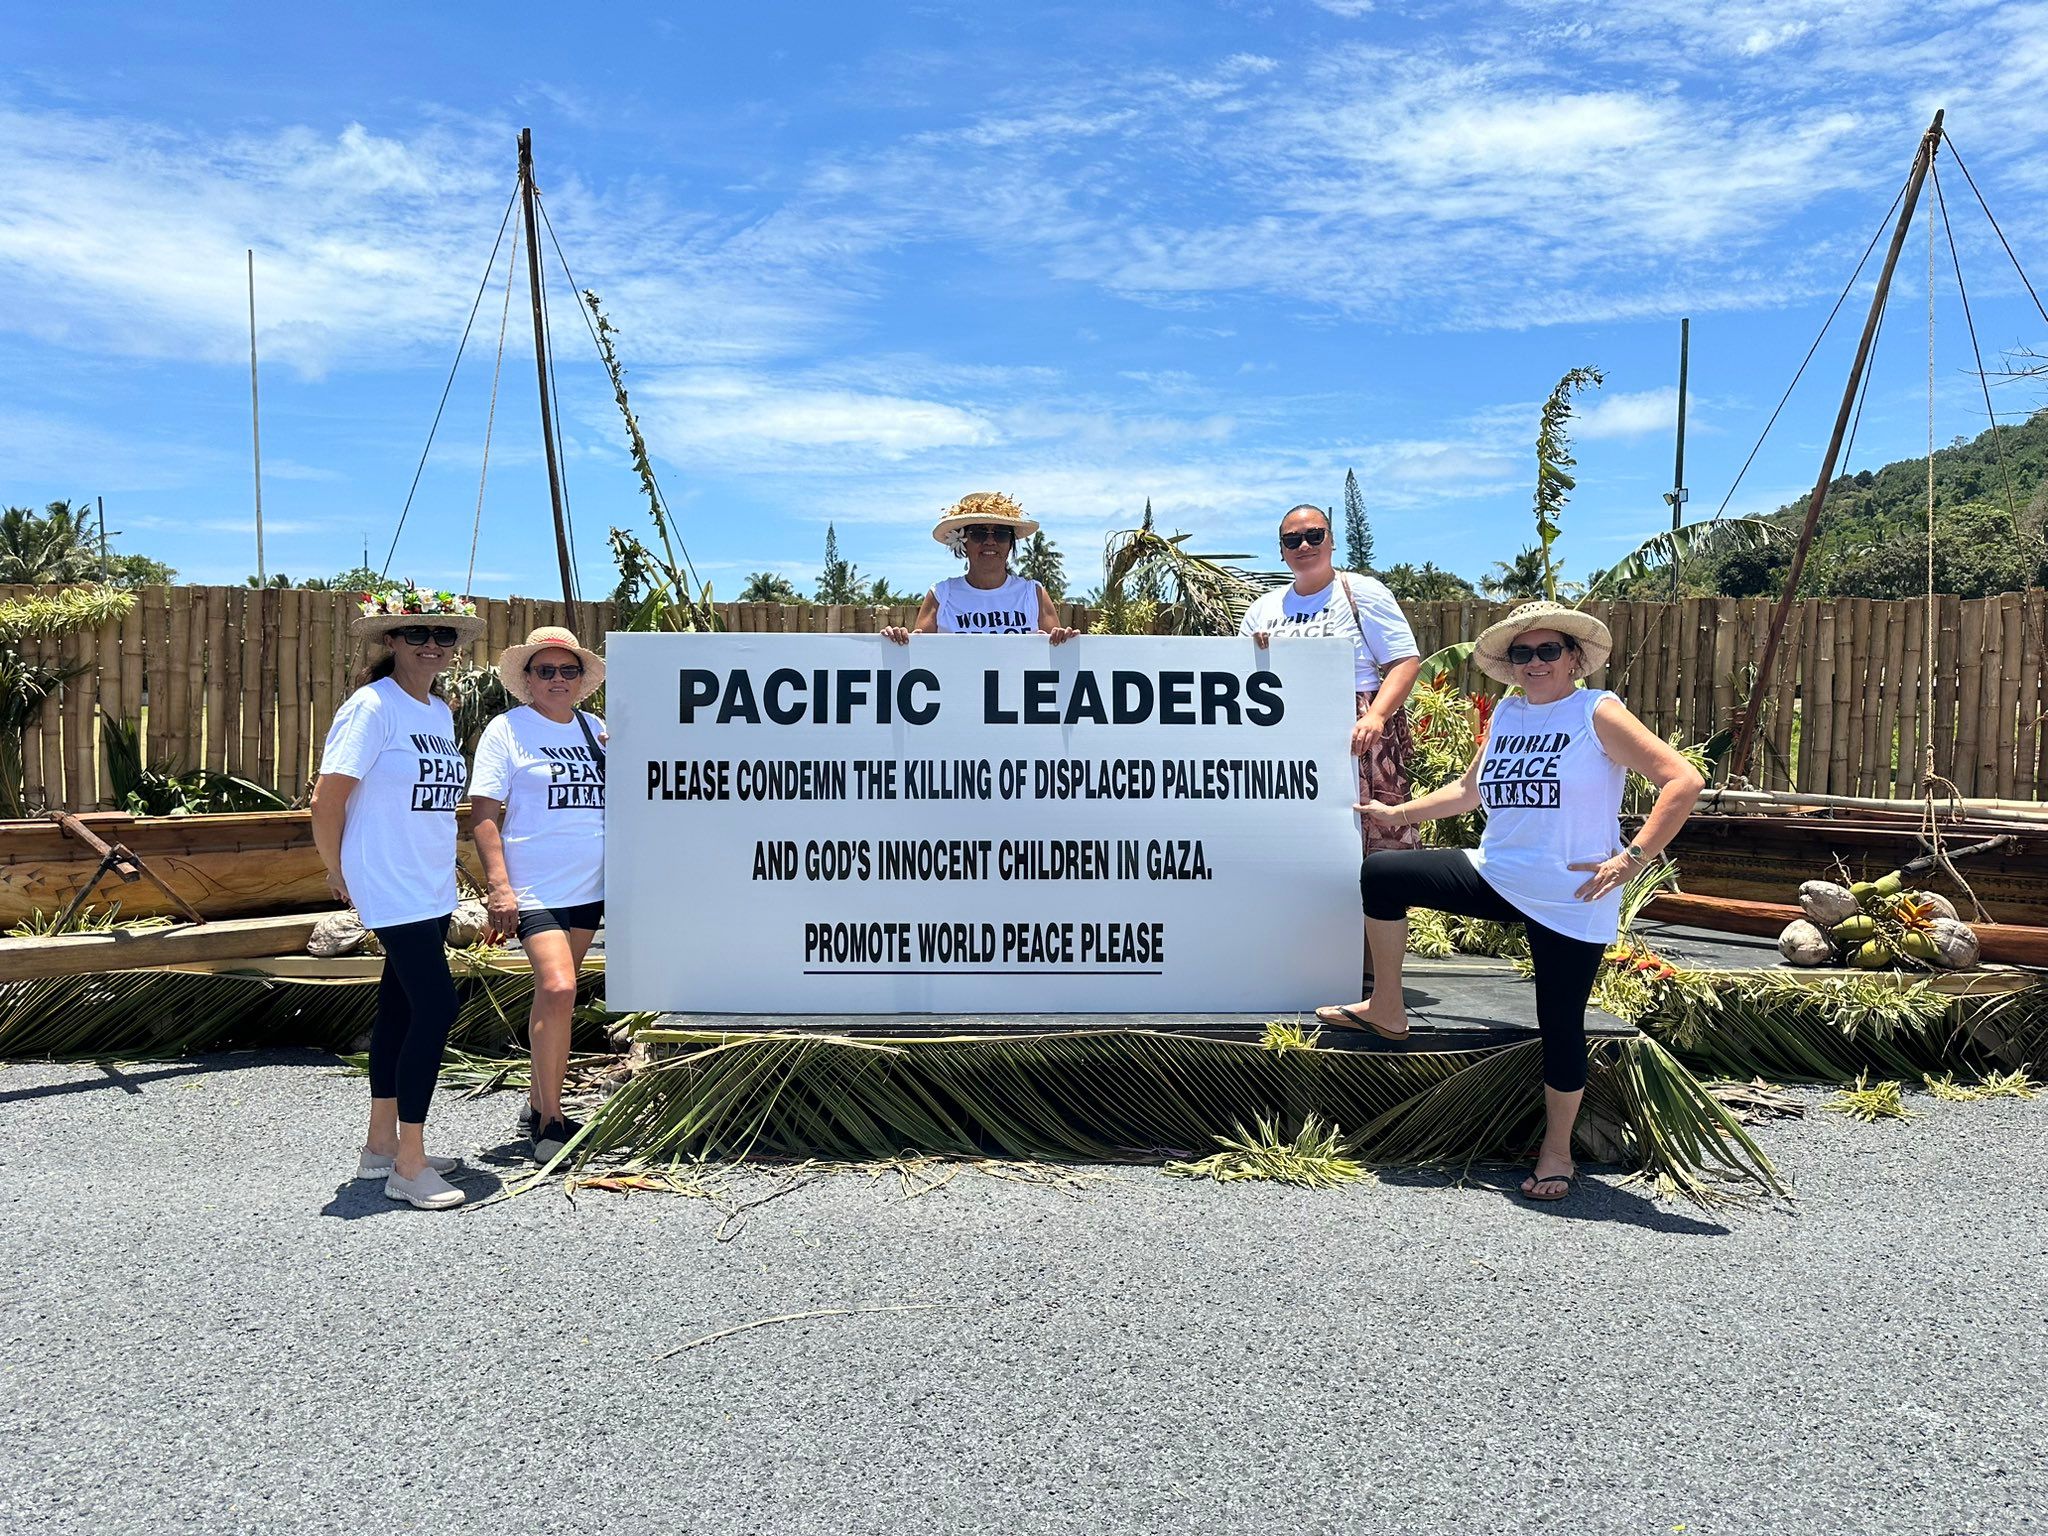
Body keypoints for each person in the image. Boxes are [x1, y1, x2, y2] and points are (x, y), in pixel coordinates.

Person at [1313, 600, 1705, 1203]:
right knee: (1386, 875)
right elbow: (1469, 791)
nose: (1535, 662)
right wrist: (1399, 812)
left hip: (1571, 894)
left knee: (1560, 1022)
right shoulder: (1507, 713)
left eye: (1549, 650)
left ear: (1574, 658)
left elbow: (1682, 780)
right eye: (1523, 653)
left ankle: (1557, 1153)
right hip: (1497, 873)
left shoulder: (1595, 711)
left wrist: (1632, 856)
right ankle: (1388, 1007)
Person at [311, 585, 484, 1211]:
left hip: (428, 883)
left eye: (442, 635)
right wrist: (338, 872)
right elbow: (327, 799)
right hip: (387, 880)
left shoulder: (436, 711)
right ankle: (408, 1165)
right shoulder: (371, 707)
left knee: (401, 1010)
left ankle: (380, 1146)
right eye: (417, 634)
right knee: (436, 1009)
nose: (432, 645)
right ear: (391, 641)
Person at [468, 626, 607, 1163]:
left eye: (566, 670)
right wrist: (499, 887)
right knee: (559, 986)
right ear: (527, 679)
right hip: (535, 885)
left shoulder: (595, 731)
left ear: (580, 679)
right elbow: (484, 814)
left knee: (556, 997)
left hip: (589, 885)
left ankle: (535, 1100)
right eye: (545, 670)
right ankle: (551, 1121)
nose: (556, 679)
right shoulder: (507, 731)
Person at [1240, 504, 1422, 858]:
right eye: (1292, 540)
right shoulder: (1263, 609)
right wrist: (1253, 652)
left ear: (1331, 541)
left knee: (1374, 844)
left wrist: (1375, 717)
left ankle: (1377, 915)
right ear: (1281, 551)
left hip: (1357, 733)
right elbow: (1241, 677)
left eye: (1314, 536)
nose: (1304, 546)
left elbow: (1405, 661)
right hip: (1286, 732)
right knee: (1302, 838)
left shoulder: (1361, 592)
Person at [882, 491, 1080, 644]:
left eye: (1001, 534)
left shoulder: (1033, 593)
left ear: (1010, 543)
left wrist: (1064, 640)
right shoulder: (941, 595)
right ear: (962, 542)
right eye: (979, 533)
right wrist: (897, 642)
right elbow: (919, 655)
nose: (990, 541)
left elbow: (1057, 659)